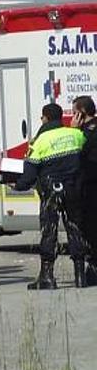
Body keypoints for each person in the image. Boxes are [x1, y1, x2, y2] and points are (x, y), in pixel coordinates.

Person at [14, 103, 87, 289]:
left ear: (45, 118)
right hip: (73, 189)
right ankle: (80, 276)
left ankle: (47, 276)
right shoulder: (76, 135)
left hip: (51, 191)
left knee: (49, 231)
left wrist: (18, 185)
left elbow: (29, 174)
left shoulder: (40, 141)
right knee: (75, 229)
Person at [73, 95, 97, 285]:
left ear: (81, 112)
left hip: (90, 185)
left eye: (74, 112)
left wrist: (74, 131)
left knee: (90, 227)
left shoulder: (85, 132)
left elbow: (78, 152)